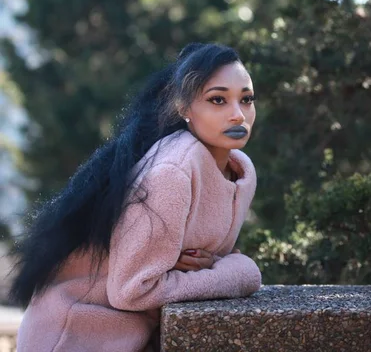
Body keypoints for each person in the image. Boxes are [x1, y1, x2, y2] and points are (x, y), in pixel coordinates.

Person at [11, 42, 262, 352]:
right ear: (184, 109)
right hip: (75, 337)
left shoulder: (239, 171)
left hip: (131, 337)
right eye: (218, 100)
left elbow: (205, 259)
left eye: (246, 99)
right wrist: (239, 273)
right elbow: (132, 291)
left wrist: (215, 265)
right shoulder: (173, 171)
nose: (238, 115)